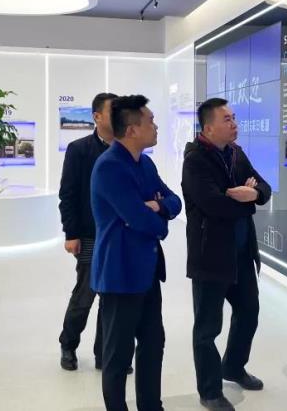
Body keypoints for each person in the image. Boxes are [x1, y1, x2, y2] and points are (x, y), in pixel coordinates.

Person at [91, 95, 181, 411]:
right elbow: (140, 219)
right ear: (131, 130)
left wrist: (158, 206)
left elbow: (174, 201)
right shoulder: (109, 167)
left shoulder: (145, 163)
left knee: (153, 344)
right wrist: (159, 220)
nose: (156, 126)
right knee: (118, 355)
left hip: (148, 271)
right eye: (151, 121)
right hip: (119, 273)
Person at [181, 98, 272, 411]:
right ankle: (209, 391)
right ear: (208, 128)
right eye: (227, 119)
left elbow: (264, 188)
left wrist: (253, 192)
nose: (234, 124)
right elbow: (214, 204)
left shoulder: (236, 153)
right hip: (210, 257)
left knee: (249, 312)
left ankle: (233, 366)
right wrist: (247, 201)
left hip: (241, 254)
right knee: (207, 328)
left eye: (234, 117)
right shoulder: (195, 160)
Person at [59, 92, 134, 373]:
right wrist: (71, 233)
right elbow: (68, 194)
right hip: (91, 235)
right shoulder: (79, 150)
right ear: (96, 117)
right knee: (85, 295)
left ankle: (105, 353)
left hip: (120, 236)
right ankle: (68, 344)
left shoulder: (128, 150)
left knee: (111, 298)